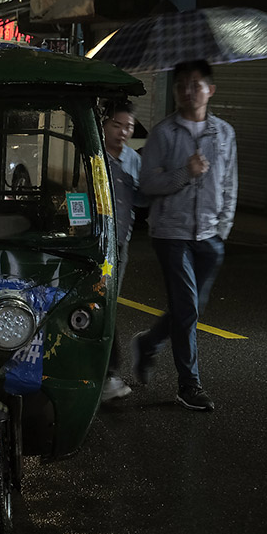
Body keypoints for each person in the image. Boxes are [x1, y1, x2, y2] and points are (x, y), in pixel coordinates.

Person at [130, 59, 238, 412]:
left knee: (188, 308)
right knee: (187, 308)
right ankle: (189, 385)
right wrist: (185, 173)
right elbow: (147, 185)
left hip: (209, 235)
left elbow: (229, 184)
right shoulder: (163, 134)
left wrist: (222, 227)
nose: (187, 91)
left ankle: (148, 343)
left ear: (211, 89)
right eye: (181, 85)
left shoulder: (223, 134)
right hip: (171, 233)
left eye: (195, 84)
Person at [99, 100, 144, 403]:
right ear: (104, 124)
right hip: (96, 241)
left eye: (128, 126)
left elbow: (142, 198)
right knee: (100, 305)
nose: (123, 132)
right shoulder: (95, 155)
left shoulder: (133, 160)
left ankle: (107, 374)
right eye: (117, 125)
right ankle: (107, 373)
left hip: (120, 244)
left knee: (108, 305)